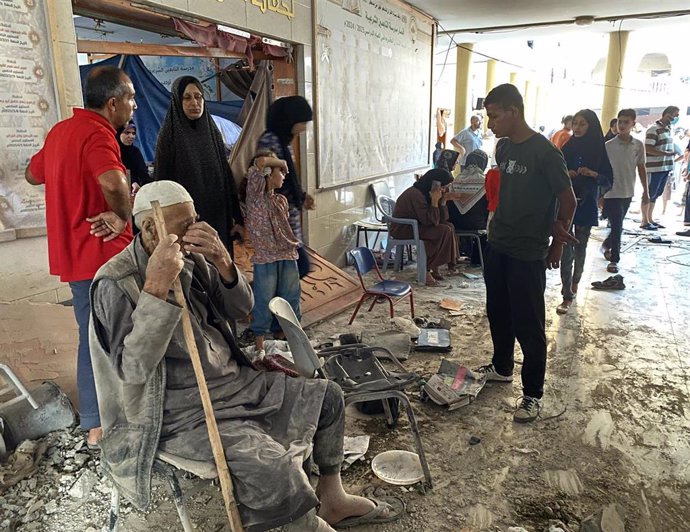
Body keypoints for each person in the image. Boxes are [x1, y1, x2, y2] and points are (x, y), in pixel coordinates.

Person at [88, 181, 402, 531]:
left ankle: (333, 499)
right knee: (272, 465)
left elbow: (242, 310)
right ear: (150, 228)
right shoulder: (116, 282)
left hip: (234, 383)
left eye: (196, 219)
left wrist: (223, 262)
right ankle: (305, 526)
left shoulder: (192, 258)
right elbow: (132, 369)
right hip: (176, 411)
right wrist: (156, 289)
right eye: (186, 223)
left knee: (327, 396)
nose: (197, 229)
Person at [24, 65, 136, 446]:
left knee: (92, 335)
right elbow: (113, 181)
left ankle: (96, 420)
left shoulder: (60, 132)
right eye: (131, 98)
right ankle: (106, 422)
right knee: (114, 337)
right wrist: (123, 216)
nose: (134, 106)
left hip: (76, 258)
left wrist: (67, 181)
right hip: (103, 257)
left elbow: (31, 174)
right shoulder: (97, 133)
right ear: (112, 103)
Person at [474, 84, 577, 423]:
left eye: (494, 116)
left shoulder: (546, 153)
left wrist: (557, 243)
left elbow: (568, 201)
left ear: (513, 111)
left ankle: (532, 394)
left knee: (528, 326)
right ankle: (501, 366)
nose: (490, 124)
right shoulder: (503, 149)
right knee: (498, 312)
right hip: (499, 244)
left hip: (528, 252)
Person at [154, 76, 243, 251]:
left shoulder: (212, 133)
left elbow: (226, 177)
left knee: (221, 268)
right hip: (187, 223)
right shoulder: (169, 138)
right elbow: (161, 184)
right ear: (177, 101)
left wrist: (237, 217)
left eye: (198, 96)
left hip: (218, 219)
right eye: (187, 98)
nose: (194, 102)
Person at [557, 109, 612, 314]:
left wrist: (592, 173)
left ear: (591, 126)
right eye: (576, 123)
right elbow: (555, 171)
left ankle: (575, 284)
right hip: (565, 204)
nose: (577, 128)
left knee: (580, 247)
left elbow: (608, 179)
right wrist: (567, 174)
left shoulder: (599, 149)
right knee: (565, 248)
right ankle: (566, 294)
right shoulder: (568, 146)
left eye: (582, 124)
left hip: (586, 204)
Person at [245, 150, 301, 351]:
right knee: (263, 301)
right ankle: (260, 349)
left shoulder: (280, 200)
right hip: (265, 259)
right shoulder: (255, 198)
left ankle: (289, 342)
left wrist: (281, 165)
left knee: (290, 298)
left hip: (287, 254)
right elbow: (259, 162)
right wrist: (281, 161)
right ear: (268, 172)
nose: (284, 175)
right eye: (281, 172)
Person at [257, 96, 315, 278]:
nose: (304, 127)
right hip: (278, 220)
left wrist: (302, 196)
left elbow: (288, 177)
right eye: (302, 122)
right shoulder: (269, 141)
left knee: (295, 268)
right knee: (295, 268)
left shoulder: (285, 142)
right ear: (289, 120)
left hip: (290, 217)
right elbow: (267, 178)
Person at [390, 168, 459, 286]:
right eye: (442, 187)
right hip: (404, 228)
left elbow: (441, 220)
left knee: (449, 226)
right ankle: (425, 270)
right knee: (442, 231)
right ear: (434, 184)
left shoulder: (425, 192)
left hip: (418, 225)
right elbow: (430, 221)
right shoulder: (415, 194)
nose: (443, 190)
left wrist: (443, 201)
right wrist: (434, 201)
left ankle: (434, 266)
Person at [601, 109, 649, 273]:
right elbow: (602, 171)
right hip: (611, 192)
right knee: (617, 225)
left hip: (628, 192)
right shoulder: (608, 146)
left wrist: (646, 192)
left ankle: (607, 245)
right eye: (620, 121)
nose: (621, 125)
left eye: (626, 122)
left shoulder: (638, 145)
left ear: (633, 124)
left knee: (617, 225)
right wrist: (600, 194)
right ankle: (614, 259)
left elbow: (641, 168)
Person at [447, 150, 490, 266]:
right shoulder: (484, 181)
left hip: (454, 224)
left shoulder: (456, 180)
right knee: (488, 222)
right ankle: (477, 258)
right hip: (476, 225)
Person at [641, 105, 680, 230]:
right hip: (654, 168)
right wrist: (665, 154)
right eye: (674, 115)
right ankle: (644, 220)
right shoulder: (654, 129)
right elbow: (648, 148)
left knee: (657, 194)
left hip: (665, 168)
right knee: (649, 193)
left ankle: (650, 218)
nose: (675, 118)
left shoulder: (668, 130)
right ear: (666, 114)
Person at [116, 120, 149, 190]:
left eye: (133, 133)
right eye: (127, 132)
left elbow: (143, 173)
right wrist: (132, 182)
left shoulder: (135, 152)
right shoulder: (114, 152)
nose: (131, 136)